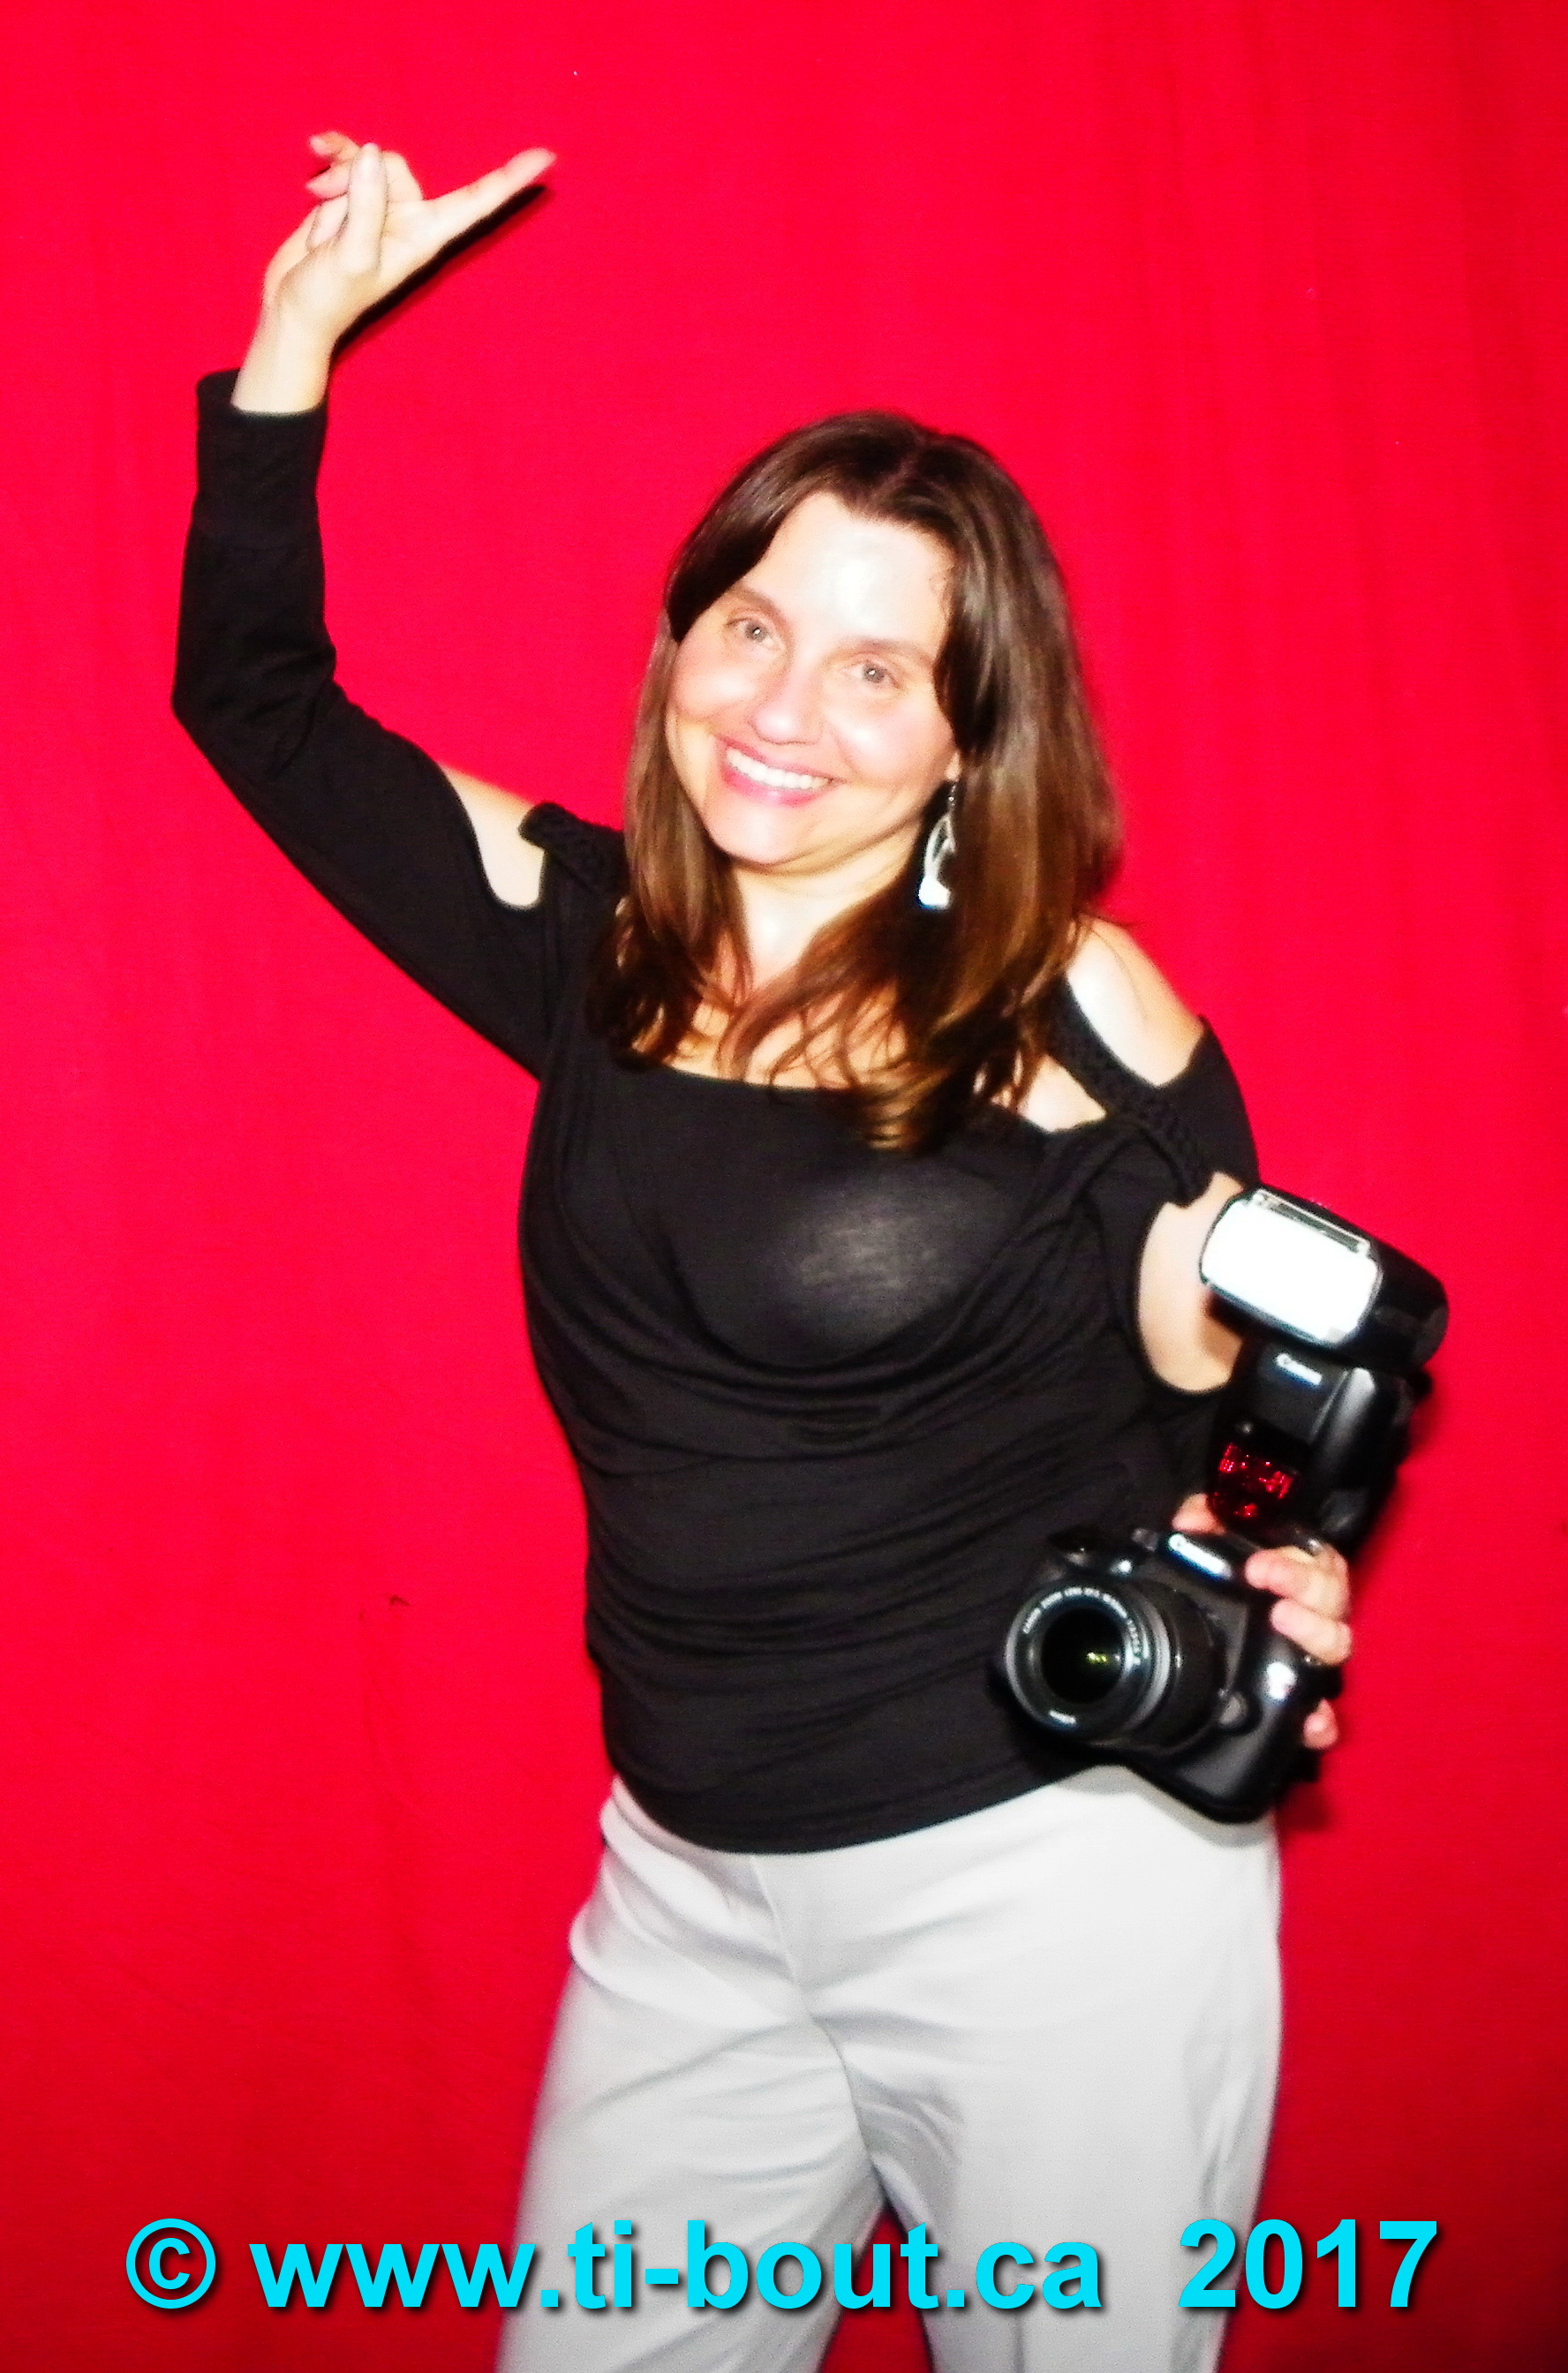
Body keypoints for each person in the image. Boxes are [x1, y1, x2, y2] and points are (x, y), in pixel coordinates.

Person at [174, 133, 1353, 2373]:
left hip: (1044, 1885)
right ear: (681, 640)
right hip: (695, 1874)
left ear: (970, 741)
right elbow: (258, 703)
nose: (785, 711)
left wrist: (1288, 1538)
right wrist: (295, 347)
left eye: (880, 672)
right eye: (753, 627)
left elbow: (1278, 1366)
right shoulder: (591, 944)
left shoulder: (1071, 1010)